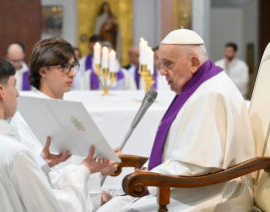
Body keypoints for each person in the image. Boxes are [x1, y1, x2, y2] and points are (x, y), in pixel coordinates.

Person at [97, 29, 255, 212]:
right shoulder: (201, 86)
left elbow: (197, 165)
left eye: (168, 64)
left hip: (212, 194)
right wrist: (150, 173)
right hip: (189, 186)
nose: (162, 72)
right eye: (161, 64)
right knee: (110, 206)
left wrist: (151, 177)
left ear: (193, 63)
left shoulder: (211, 94)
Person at [0, 55, 110, 212]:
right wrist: (84, 169)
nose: (18, 93)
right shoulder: (14, 152)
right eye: (13, 85)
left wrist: (40, 164)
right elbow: (56, 208)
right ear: (1, 91)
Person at [10, 38, 122, 211]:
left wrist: (99, 170)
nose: (72, 74)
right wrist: (90, 172)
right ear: (43, 71)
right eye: (64, 67)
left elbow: (77, 166)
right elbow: (38, 176)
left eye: (72, 66)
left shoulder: (67, 110)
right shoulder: (27, 115)